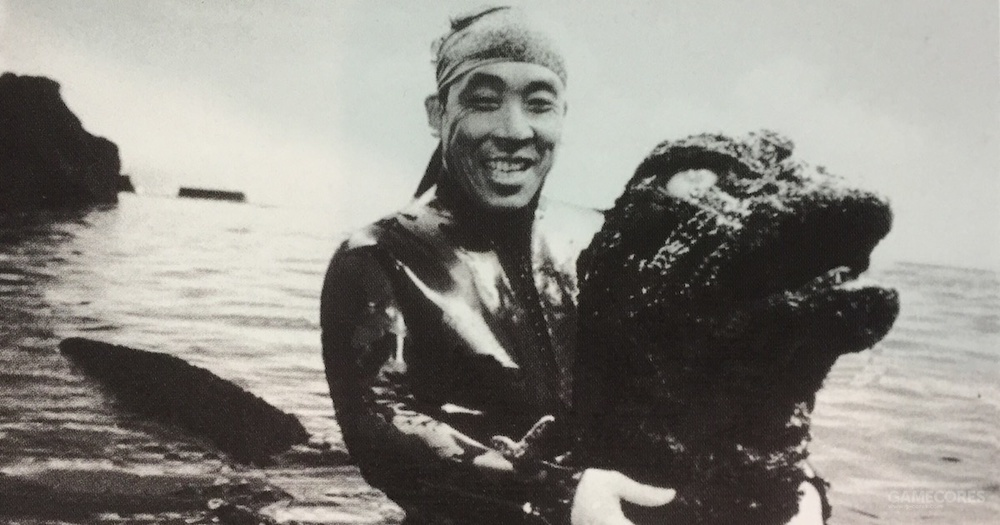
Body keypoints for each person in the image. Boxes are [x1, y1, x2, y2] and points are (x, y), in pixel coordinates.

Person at [321, 6, 826, 524]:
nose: (515, 129)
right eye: (485, 102)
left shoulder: (604, 239)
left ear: (562, 116)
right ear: (436, 113)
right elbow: (379, 421)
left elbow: (714, 382)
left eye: (539, 104)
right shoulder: (379, 256)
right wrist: (562, 494)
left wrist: (796, 486)